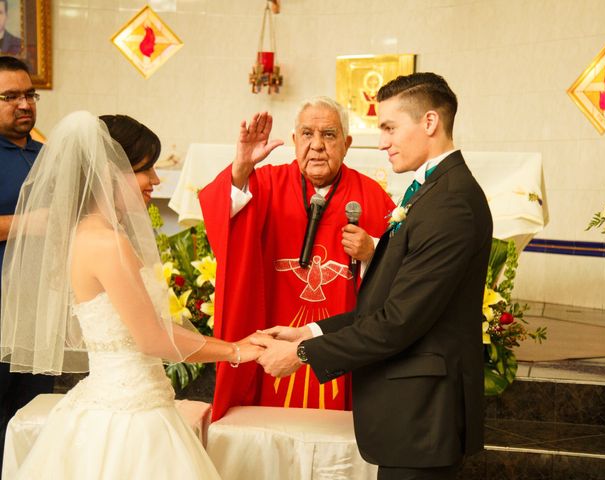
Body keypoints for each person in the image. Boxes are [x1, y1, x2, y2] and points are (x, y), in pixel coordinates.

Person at [0, 111, 264, 479]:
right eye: (145, 169)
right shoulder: (108, 243)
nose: (155, 179)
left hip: (116, 398)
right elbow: (153, 338)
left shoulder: (83, 233)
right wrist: (238, 351)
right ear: (110, 172)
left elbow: (148, 325)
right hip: (131, 416)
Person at [255, 73, 493, 479]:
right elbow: (389, 302)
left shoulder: (451, 203)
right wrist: (310, 333)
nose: (382, 142)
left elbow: (399, 322)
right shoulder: (431, 191)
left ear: (430, 123)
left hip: (424, 414)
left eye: (389, 128)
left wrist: (300, 356)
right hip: (413, 416)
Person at [199, 97, 396, 420]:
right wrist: (241, 168)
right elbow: (223, 222)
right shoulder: (262, 184)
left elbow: (400, 277)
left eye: (329, 135)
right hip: (270, 336)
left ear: (346, 144)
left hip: (338, 345)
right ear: (294, 141)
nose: (317, 146)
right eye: (307, 134)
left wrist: (372, 252)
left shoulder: (371, 197)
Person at [0, 55, 51, 476]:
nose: (24, 104)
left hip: (40, 309)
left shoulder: (47, 153)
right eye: (11, 96)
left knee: (34, 409)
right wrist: (27, 224)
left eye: (29, 94)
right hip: (0, 305)